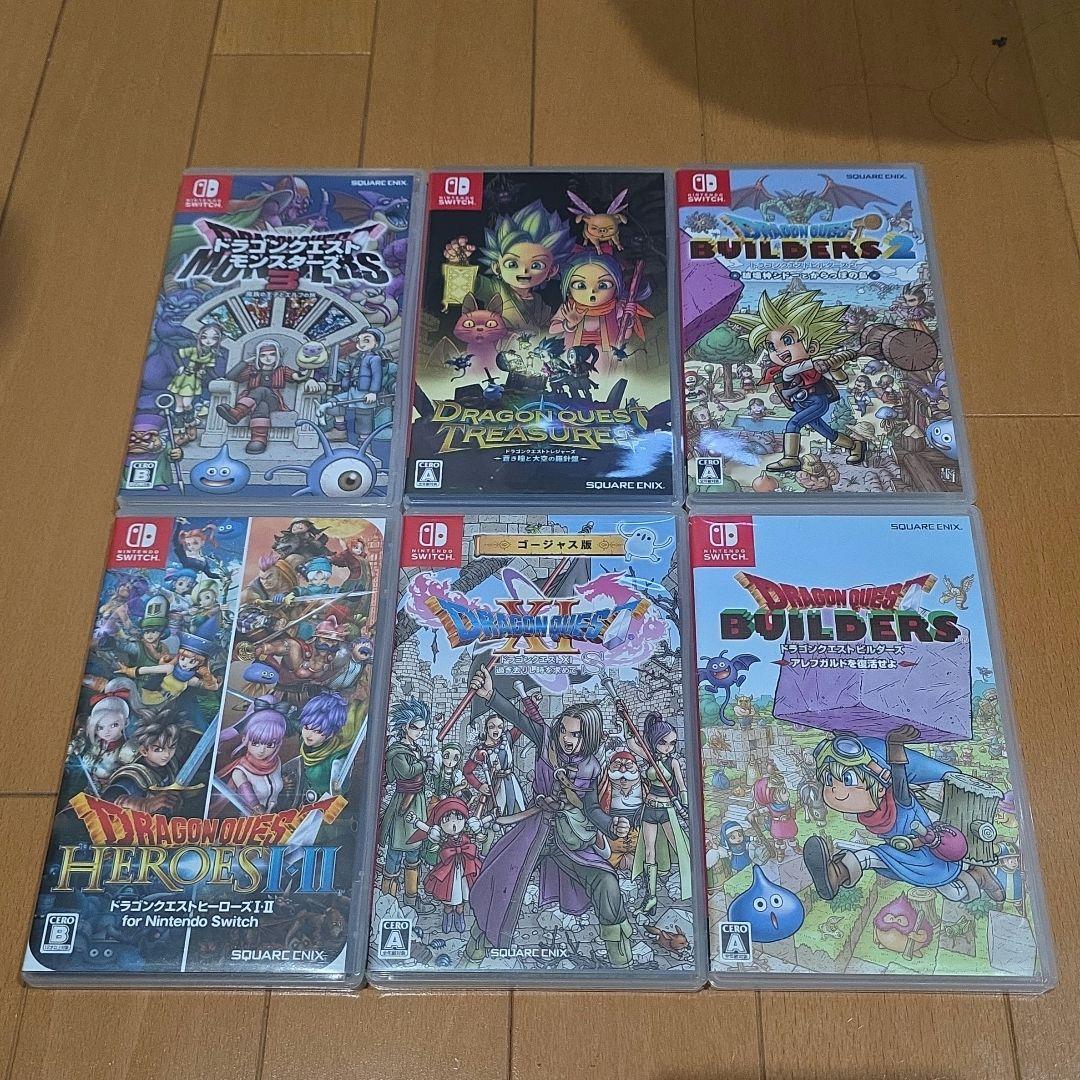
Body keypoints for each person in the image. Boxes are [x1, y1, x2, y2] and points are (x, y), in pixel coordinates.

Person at [461, 667, 635, 969]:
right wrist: (489, 694)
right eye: (564, 731)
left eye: (576, 734)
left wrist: (611, 825)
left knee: (606, 881)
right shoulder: (545, 741)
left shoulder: (592, 766)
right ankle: (477, 943)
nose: (567, 738)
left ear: (589, 735)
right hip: (535, 829)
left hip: (572, 839)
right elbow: (517, 718)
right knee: (503, 878)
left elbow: (592, 809)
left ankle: (619, 953)